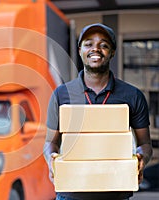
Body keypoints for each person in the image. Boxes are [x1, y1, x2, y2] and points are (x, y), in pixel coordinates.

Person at [43, 23, 153, 200]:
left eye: (103, 45)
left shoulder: (132, 95)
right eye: (88, 44)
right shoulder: (61, 94)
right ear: (80, 51)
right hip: (71, 193)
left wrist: (141, 158)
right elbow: (50, 142)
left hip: (116, 191)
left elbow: (145, 144)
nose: (96, 49)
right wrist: (51, 158)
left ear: (112, 52)